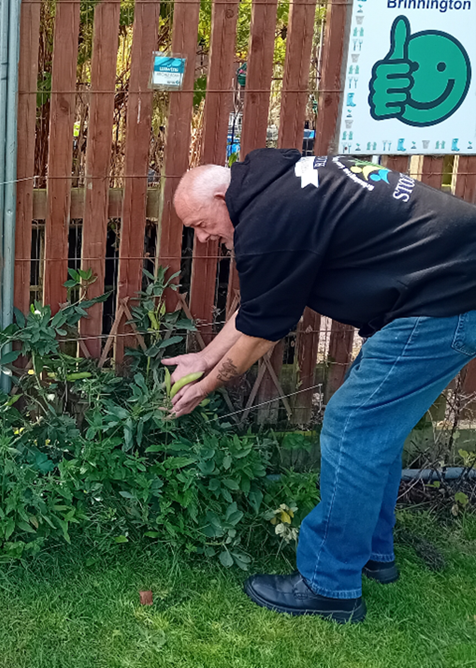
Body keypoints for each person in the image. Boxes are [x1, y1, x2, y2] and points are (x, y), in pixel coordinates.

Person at [163, 149, 476, 624]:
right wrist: (205, 356)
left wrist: (205, 386)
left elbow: (262, 335)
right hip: (445, 287)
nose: (203, 238)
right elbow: (260, 308)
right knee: (376, 429)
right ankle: (373, 552)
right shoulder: (279, 185)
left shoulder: (270, 220)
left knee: (353, 426)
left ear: (224, 197)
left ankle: (330, 585)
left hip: (444, 298)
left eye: (201, 224)